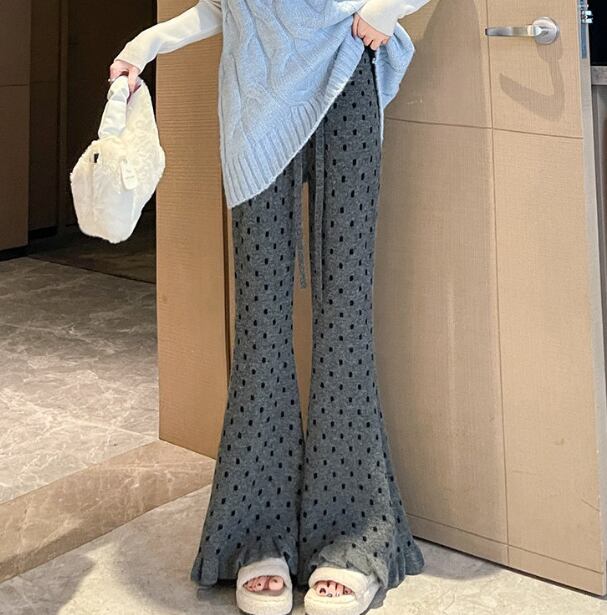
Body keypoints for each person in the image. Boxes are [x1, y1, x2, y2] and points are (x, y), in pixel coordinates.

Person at [109, 1, 431, 614]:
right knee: (260, 327)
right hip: (255, 104)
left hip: (345, 72)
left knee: (345, 318)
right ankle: (256, 532)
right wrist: (143, 46)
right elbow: (222, 7)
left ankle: (353, 535)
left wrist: (388, 7)